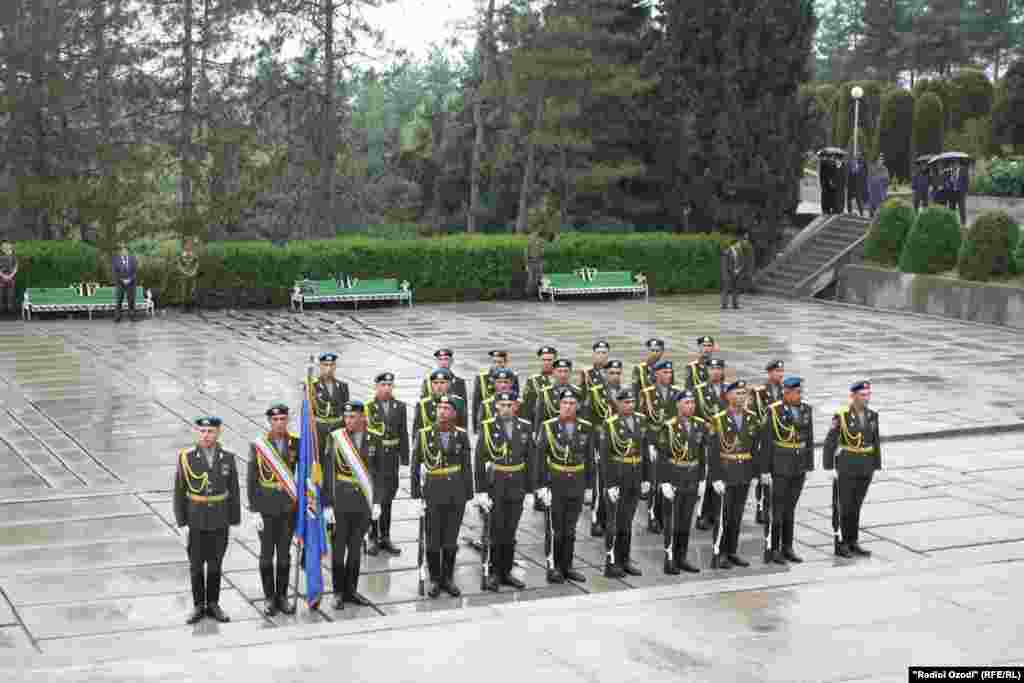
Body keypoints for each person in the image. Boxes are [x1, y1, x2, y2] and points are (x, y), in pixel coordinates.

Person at [174, 416, 241, 624]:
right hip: (195, 520)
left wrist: (234, 522)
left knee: (215, 564)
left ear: (218, 432)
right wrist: (182, 524)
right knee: (196, 565)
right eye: (202, 431)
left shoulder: (227, 457)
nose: (206, 435)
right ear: (197, 432)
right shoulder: (186, 457)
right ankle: (198, 606)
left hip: (219, 519)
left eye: (210, 431)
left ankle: (213, 604)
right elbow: (179, 492)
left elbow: (234, 491)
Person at [410, 395, 474, 598]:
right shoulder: (423, 434)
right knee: (432, 539)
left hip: (456, 493)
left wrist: (469, 494)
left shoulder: (461, 435)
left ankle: (448, 578)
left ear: (454, 413)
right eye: (440, 408)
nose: (442, 411)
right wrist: (416, 496)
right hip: (433, 492)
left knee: (450, 539)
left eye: (447, 408)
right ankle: (435, 579)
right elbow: (415, 465)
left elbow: (466, 466)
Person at [322, 401, 382, 609]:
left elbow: (379, 473)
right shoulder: (335, 438)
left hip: (363, 501)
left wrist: (377, 502)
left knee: (356, 549)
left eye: (353, 417)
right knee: (338, 549)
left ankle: (351, 591)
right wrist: (327, 505)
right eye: (346, 417)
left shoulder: (374, 438)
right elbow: (328, 473)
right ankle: (338, 592)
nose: (348, 421)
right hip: (341, 500)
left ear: (363, 417)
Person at [475, 391, 534, 591]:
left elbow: (531, 459)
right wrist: (481, 491)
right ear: (496, 406)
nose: (506, 409)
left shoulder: (525, 426)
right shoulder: (487, 427)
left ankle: (506, 572)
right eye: (503, 405)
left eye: (510, 405)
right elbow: (479, 460)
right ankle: (493, 572)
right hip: (496, 485)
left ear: (515, 406)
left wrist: (530, 490)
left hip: (517, 484)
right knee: (495, 530)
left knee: (510, 530)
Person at [536, 388, 595, 584]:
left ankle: (567, 566)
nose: (568, 407)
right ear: (559, 405)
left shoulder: (586, 427)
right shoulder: (548, 426)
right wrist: (541, 487)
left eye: (572, 403)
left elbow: (590, 459)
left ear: (577, 406)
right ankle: (553, 567)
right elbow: (539, 459)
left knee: (570, 529)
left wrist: (589, 487)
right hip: (556, 482)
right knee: (555, 529)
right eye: (565, 403)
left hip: (577, 482)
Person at [247, 404, 300, 616]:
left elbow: (303, 471)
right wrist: (254, 510)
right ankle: (269, 598)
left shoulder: (296, 442)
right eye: (275, 420)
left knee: (284, 554)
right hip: (266, 507)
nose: (279, 423)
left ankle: (282, 596)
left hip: (288, 506)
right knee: (267, 554)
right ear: (269, 422)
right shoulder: (259, 445)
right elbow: (252, 479)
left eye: (283, 419)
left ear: (288, 420)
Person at [757, 377, 813, 564]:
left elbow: (809, 438)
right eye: (797, 392)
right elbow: (766, 442)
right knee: (777, 511)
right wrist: (765, 471)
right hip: (779, 466)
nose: (800, 395)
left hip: (799, 466)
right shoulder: (773, 411)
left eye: (801, 392)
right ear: (786, 393)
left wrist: (808, 465)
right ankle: (773, 549)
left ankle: (787, 547)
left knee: (790, 509)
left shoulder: (806, 409)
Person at [653, 390, 710, 574]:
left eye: (692, 402)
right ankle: (669, 560)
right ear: (678, 405)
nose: (691, 406)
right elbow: (662, 457)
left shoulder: (700, 425)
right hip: (674, 478)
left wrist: (702, 479)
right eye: (686, 402)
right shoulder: (668, 427)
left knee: (686, 521)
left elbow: (702, 454)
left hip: (692, 478)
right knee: (671, 522)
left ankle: (682, 557)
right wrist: (664, 482)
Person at [823, 381, 881, 558]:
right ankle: (841, 543)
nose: (866, 398)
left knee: (856, 506)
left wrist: (876, 465)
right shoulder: (842, 416)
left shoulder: (872, 415)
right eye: (863, 395)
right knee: (844, 506)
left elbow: (875, 441)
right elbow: (830, 441)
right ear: (853, 396)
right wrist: (829, 467)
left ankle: (853, 541)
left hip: (865, 467)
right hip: (847, 466)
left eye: (868, 394)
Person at [599, 388, 651, 578]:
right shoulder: (610, 424)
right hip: (618, 478)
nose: (630, 405)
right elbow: (605, 457)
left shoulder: (641, 420)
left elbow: (644, 451)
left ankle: (625, 559)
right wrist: (609, 484)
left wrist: (646, 478)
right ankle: (611, 563)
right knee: (614, 523)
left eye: (632, 402)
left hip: (635, 477)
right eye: (626, 402)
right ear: (618, 404)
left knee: (627, 522)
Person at [708, 381, 759, 569]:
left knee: (737, 516)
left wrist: (755, 473)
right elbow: (713, 452)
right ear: (728, 396)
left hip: (744, 472)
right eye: (737, 393)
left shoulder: (752, 418)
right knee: (724, 517)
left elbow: (755, 448)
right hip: (726, 472)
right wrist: (715, 478)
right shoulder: (718, 419)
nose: (741, 396)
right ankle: (719, 554)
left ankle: (732, 551)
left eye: (743, 393)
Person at [365, 372, 409, 556]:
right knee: (375, 497)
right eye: (383, 385)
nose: (387, 388)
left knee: (388, 498)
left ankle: (386, 536)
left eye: (390, 385)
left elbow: (403, 432)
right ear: (376, 387)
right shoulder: (368, 408)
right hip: (376, 459)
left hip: (392, 459)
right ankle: (373, 537)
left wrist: (405, 459)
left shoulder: (400, 406)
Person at [638, 360, 680, 534]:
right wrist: (648, 444)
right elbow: (642, 421)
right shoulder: (647, 394)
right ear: (656, 374)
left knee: (670, 480)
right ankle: (653, 517)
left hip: (672, 443)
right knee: (655, 482)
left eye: (670, 373)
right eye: (664, 373)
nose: (668, 376)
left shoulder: (677, 393)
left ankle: (666, 516)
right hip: (655, 442)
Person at [586, 359, 624, 537]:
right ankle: (596, 520)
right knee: (600, 483)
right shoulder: (595, 392)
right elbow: (588, 421)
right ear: (605, 374)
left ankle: (612, 519)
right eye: (611, 373)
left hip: (620, 444)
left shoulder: (626, 393)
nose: (615, 376)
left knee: (617, 483)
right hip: (600, 443)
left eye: (618, 373)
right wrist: (592, 447)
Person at [748, 360, 785, 524]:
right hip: (763, 439)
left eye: (781, 371)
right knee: (763, 476)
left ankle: (774, 507)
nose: (780, 374)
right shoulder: (759, 393)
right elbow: (752, 415)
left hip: (780, 440)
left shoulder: (786, 390)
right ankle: (761, 508)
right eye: (777, 371)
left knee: (778, 476)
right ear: (769, 373)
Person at [694, 358, 727, 530]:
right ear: (707, 371)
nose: (715, 371)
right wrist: (704, 426)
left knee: (722, 476)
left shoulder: (729, 390)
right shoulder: (698, 390)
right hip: (707, 439)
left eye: (718, 368)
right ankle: (702, 514)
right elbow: (692, 414)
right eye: (712, 368)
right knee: (707, 477)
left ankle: (716, 512)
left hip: (725, 440)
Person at [312, 353, 350, 459]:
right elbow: (309, 412)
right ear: (320, 366)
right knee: (319, 457)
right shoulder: (313, 386)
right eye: (325, 365)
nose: (329, 368)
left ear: (335, 366)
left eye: (331, 365)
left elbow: (346, 411)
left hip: (338, 427)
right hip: (320, 428)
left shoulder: (343, 386)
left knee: (338, 458)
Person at [533, 359, 586, 435]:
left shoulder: (578, 392)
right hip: (551, 434)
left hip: (573, 433)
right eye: (559, 371)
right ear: (554, 372)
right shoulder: (545, 393)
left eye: (566, 371)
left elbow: (582, 416)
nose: (563, 375)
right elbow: (539, 418)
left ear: (570, 373)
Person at [472, 350, 517, 430]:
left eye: (500, 362)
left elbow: (515, 399)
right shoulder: (482, 378)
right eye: (494, 362)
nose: (497, 365)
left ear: (506, 363)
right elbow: (476, 404)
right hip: (488, 419)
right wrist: (476, 428)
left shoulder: (512, 377)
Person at [520, 346, 558, 425]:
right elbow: (527, 408)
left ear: (555, 361)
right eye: (543, 360)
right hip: (541, 424)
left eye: (549, 360)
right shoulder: (533, 381)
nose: (546, 363)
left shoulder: (562, 379)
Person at [111, 242, 139, 322]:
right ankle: (117, 317)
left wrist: (130, 279)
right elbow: (114, 272)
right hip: (120, 284)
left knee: (131, 301)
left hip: (131, 283)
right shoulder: (116, 260)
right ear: (120, 252)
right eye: (122, 250)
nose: (124, 252)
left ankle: (132, 317)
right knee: (119, 301)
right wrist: (122, 280)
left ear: (128, 251)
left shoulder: (133, 259)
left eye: (125, 250)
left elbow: (135, 271)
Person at [720, 236, 749, 310]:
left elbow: (742, 262)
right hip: (728, 273)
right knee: (726, 289)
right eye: (738, 243)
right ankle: (724, 304)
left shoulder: (739, 251)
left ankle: (735, 304)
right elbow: (724, 265)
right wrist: (727, 274)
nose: (739, 245)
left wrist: (739, 269)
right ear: (734, 244)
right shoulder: (726, 251)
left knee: (736, 289)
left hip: (737, 273)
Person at [176, 238, 200, 312]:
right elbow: (178, 264)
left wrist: (194, 271)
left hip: (192, 275)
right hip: (183, 275)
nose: (188, 246)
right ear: (184, 245)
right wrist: (183, 271)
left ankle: (190, 307)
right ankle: (183, 307)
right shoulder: (181, 254)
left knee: (191, 291)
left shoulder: (194, 253)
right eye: (187, 244)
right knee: (183, 291)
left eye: (190, 244)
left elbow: (197, 263)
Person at [867, 154, 890, 218]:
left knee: (880, 210)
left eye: (882, 159)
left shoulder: (885, 169)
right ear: (877, 160)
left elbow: (887, 181)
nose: (881, 160)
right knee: (872, 209)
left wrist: (885, 190)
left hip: (881, 193)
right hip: (873, 192)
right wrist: (869, 189)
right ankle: (871, 218)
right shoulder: (872, 168)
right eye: (880, 159)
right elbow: (869, 179)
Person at [0, 241, 18, 317]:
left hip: (11, 278)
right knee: (1, 294)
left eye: (7, 246)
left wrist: (11, 275)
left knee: (11, 295)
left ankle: (10, 311)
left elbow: (16, 267)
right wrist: (3, 276)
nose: (6, 247)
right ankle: (1, 311)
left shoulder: (14, 257)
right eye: (4, 246)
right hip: (1, 278)